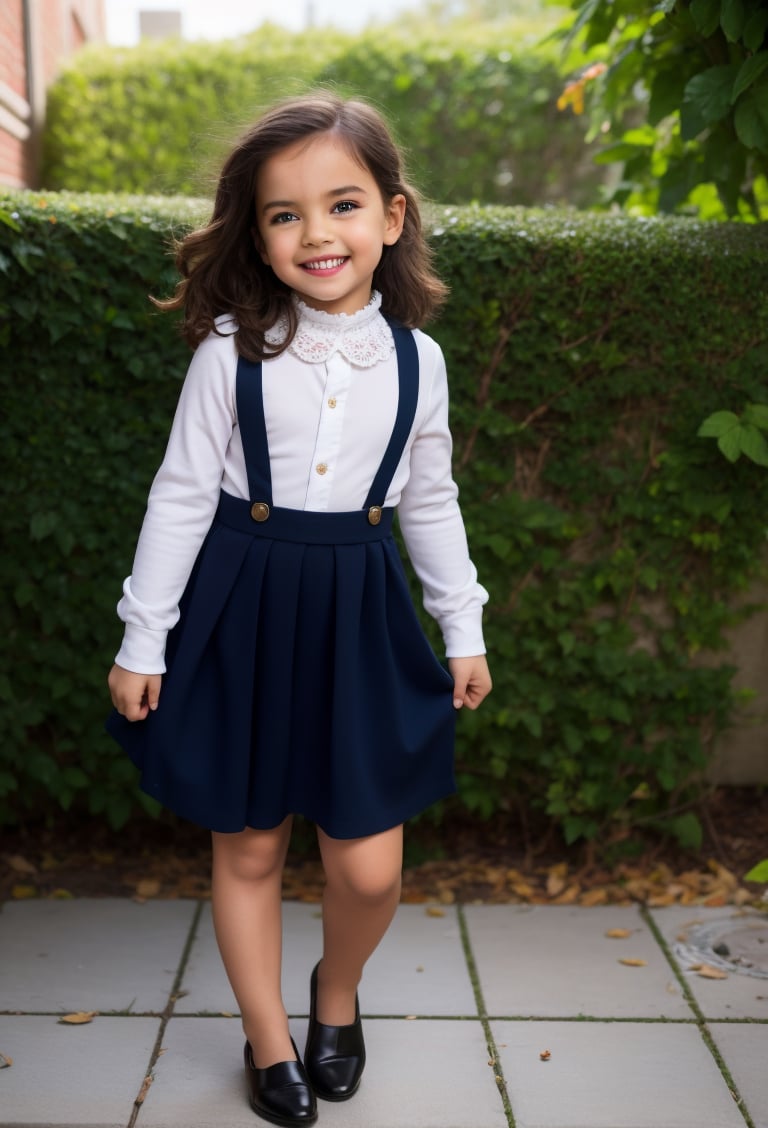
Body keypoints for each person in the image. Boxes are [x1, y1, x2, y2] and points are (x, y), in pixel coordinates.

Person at [107, 92, 491, 1127]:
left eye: (344, 204)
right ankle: (269, 1038)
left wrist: (463, 626)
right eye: (285, 214)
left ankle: (334, 995)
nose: (317, 232)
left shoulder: (419, 362)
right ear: (259, 232)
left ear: (393, 217)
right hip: (244, 603)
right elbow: (182, 497)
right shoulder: (228, 352)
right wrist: (145, 638)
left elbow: (434, 499)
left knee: (367, 866)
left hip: (359, 613)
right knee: (251, 845)